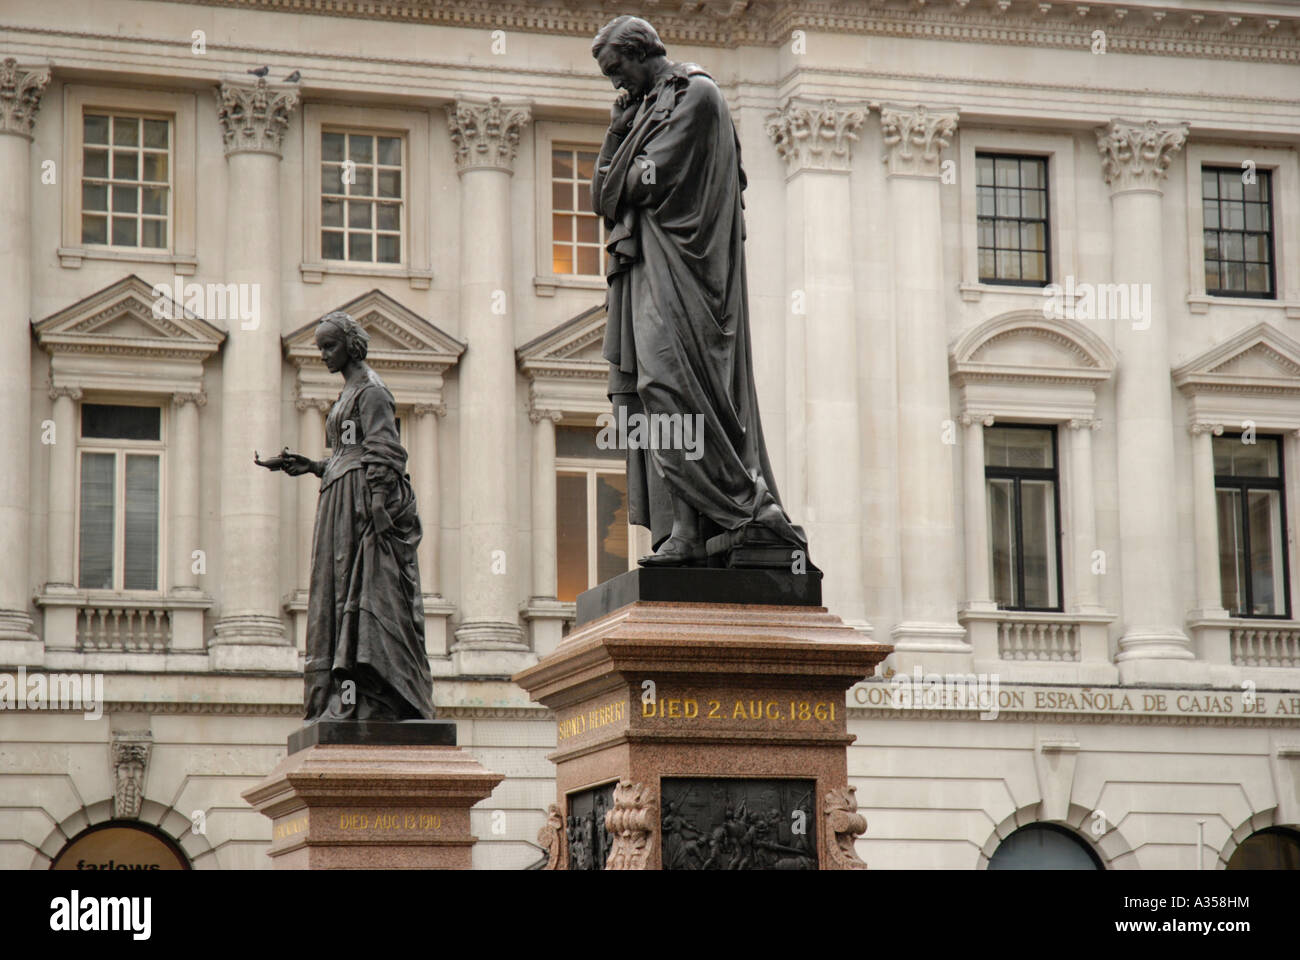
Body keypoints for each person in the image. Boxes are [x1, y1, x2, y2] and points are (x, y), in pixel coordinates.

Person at [590, 15, 807, 568]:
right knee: (651, 392)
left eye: (618, 70)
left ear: (642, 53)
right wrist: (618, 135)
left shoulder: (697, 95)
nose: (617, 84)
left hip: (691, 276)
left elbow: (648, 180)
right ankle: (686, 529)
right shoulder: (640, 111)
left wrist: (625, 174)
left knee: (671, 387)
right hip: (651, 270)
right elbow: (605, 191)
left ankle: (741, 506)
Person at [257, 310, 435, 722]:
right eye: (320, 347)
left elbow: (384, 450)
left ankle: (362, 694)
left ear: (351, 346)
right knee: (332, 595)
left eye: (329, 346)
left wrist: (375, 504)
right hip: (338, 495)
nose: (323, 354)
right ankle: (337, 697)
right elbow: (346, 453)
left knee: (353, 592)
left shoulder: (372, 391)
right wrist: (311, 465)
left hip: (356, 505)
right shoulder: (347, 393)